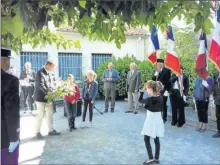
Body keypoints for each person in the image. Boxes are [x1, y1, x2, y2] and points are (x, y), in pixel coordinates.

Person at [1, 47, 20, 165]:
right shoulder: (10, 80)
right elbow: (11, 111)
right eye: (8, 59)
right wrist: (14, 137)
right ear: (4, 60)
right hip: (4, 136)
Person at [33, 59, 60, 139]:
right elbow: (40, 85)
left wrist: (56, 87)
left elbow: (52, 83)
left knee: (50, 114)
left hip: (49, 98)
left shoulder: (50, 73)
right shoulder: (40, 72)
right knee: (40, 115)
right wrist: (48, 92)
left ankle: (50, 130)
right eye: (53, 67)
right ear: (48, 65)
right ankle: (37, 132)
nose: (54, 69)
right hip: (40, 98)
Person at [139, 80, 164, 165]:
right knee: (156, 140)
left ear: (150, 89)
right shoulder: (160, 97)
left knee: (146, 139)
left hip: (150, 121)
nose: (146, 90)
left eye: (147, 89)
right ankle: (156, 158)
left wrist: (141, 92)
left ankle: (150, 158)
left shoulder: (149, 99)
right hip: (158, 121)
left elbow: (140, 100)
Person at [212, 71, 220, 138]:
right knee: (218, 116)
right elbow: (214, 87)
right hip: (217, 100)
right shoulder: (216, 74)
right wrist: (214, 97)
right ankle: (219, 131)